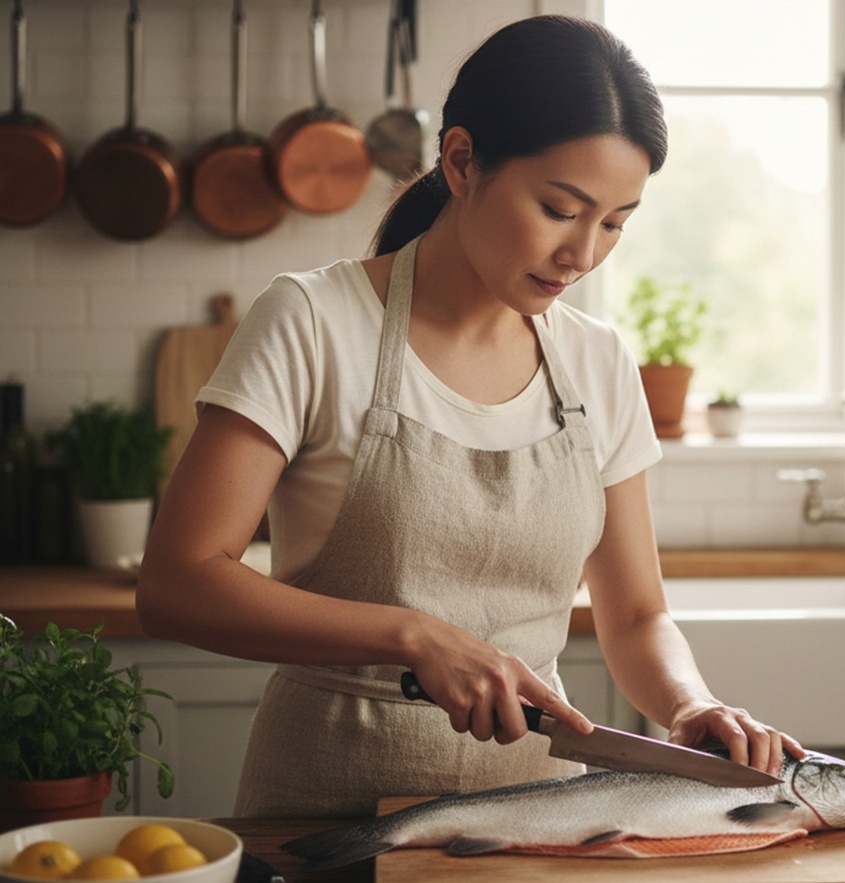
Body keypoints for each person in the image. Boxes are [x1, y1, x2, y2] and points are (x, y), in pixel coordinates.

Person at [137, 14, 802, 818]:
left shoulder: (596, 360)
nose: (583, 254)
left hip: (537, 823)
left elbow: (635, 613)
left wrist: (690, 703)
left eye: (616, 223)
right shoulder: (313, 320)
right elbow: (178, 582)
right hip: (324, 817)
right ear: (461, 161)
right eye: (561, 208)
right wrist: (412, 635)